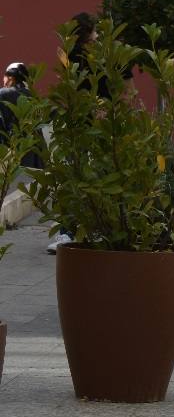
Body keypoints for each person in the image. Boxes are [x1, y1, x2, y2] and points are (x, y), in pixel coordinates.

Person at [48, 13, 101, 253]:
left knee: (73, 178)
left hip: (78, 125)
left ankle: (68, 232)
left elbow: (67, 91)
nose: (98, 35)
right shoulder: (88, 57)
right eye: (95, 30)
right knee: (88, 177)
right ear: (87, 31)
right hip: (89, 125)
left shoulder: (72, 56)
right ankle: (79, 231)